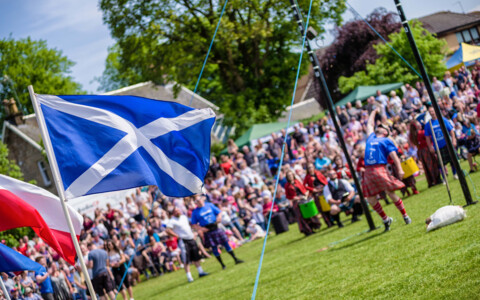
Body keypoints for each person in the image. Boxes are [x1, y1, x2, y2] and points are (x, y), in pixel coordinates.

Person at [363, 108, 411, 231]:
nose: (379, 126)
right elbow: (369, 124)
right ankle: (386, 219)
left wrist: (400, 169)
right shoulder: (371, 137)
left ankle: (405, 216)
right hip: (368, 170)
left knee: (390, 192)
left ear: (386, 132)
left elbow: (394, 156)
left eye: (382, 126)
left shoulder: (386, 141)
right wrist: (374, 111)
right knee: (370, 199)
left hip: (379, 168)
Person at [190, 196, 244, 269]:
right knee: (214, 248)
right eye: (196, 201)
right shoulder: (195, 212)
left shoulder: (209, 205)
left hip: (215, 227)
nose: (198, 201)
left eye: (199, 199)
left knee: (226, 243)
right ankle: (222, 265)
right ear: (195, 203)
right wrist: (201, 229)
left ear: (202, 199)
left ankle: (235, 259)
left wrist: (219, 217)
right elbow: (193, 224)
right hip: (207, 230)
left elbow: (219, 212)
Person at [166, 207, 209, 282]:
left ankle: (200, 272)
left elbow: (190, 225)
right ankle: (189, 277)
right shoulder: (172, 221)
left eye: (178, 210)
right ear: (173, 213)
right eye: (176, 211)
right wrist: (177, 236)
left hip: (191, 238)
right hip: (183, 240)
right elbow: (168, 230)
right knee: (186, 259)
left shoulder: (183, 217)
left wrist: (194, 232)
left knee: (196, 256)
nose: (178, 212)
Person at [424, 106, 458, 180]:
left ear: (436, 111)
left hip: (447, 144)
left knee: (453, 159)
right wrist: (430, 147)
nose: (432, 113)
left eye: (433, 111)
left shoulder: (443, 120)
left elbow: (451, 131)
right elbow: (427, 137)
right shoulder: (428, 124)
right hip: (437, 146)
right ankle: (444, 178)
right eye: (430, 112)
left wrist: (454, 140)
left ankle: (455, 174)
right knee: (441, 164)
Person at [284, 170, 321, 236]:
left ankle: (313, 227)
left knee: (309, 214)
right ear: (287, 177)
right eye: (289, 176)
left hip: (303, 199)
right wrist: (295, 198)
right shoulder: (287, 185)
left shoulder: (297, 182)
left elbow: (303, 189)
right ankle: (307, 230)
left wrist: (306, 194)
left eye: (291, 175)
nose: (290, 177)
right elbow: (288, 196)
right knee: (301, 217)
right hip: (296, 202)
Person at [409, 120, 441, 187]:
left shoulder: (412, 135)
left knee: (426, 167)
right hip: (427, 149)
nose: (420, 125)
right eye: (418, 125)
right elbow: (430, 139)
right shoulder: (421, 133)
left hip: (420, 151)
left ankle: (430, 181)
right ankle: (436, 179)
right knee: (432, 165)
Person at [303, 163, 333, 227]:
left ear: (313, 167)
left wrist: (326, 186)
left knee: (328, 205)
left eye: (311, 167)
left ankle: (332, 219)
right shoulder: (307, 177)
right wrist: (312, 189)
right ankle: (328, 222)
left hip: (323, 190)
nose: (310, 169)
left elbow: (324, 179)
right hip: (316, 193)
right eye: (309, 168)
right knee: (321, 208)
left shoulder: (318, 173)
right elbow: (305, 186)